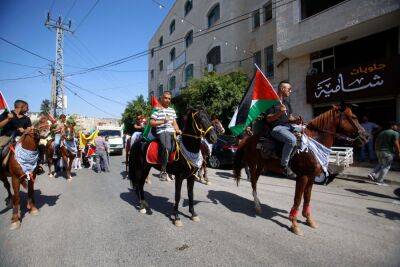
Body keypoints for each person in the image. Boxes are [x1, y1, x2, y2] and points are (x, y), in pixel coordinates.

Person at [266, 81, 301, 178]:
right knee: (292, 140)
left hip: (288, 127)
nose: (291, 91)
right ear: (282, 89)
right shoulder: (272, 102)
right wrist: (279, 113)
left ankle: (292, 159)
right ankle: (284, 165)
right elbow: (268, 118)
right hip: (276, 128)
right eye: (289, 89)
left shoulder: (287, 103)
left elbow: (290, 118)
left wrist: (296, 120)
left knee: (305, 133)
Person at [150, 91, 181, 181]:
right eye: (165, 98)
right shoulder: (157, 109)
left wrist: (178, 130)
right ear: (161, 98)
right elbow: (151, 122)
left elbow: (174, 122)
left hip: (172, 132)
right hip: (162, 131)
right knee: (167, 147)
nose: (167, 100)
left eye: (169, 98)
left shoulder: (172, 110)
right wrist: (163, 121)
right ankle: (163, 171)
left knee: (181, 147)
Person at [368, 121, 399, 186]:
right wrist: (398, 152)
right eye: (396, 126)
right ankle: (380, 181)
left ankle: (372, 174)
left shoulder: (381, 132)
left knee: (381, 164)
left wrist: (376, 150)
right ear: (392, 126)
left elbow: (376, 141)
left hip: (378, 151)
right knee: (386, 167)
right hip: (387, 152)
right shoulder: (395, 133)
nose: (397, 127)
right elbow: (396, 144)